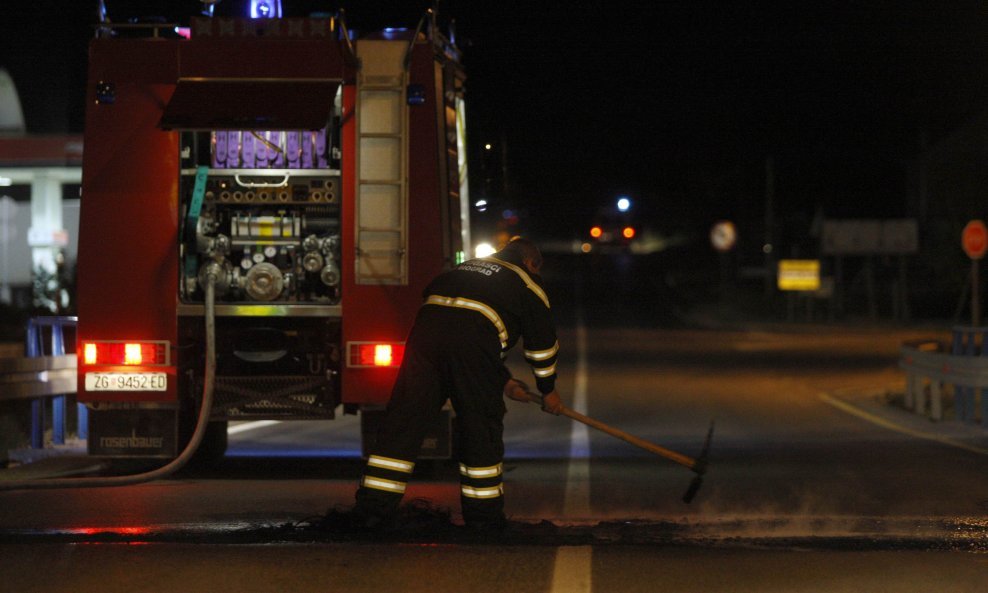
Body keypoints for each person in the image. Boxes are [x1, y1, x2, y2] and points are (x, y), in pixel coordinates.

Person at [352, 237, 564, 530]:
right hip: (470, 346)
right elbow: (542, 347)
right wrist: (548, 390)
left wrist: (503, 380)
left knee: (404, 421)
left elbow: (459, 326)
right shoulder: (527, 285)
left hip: (424, 339)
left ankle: (372, 511)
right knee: (480, 426)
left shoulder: (465, 268)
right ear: (531, 263)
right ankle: (483, 518)